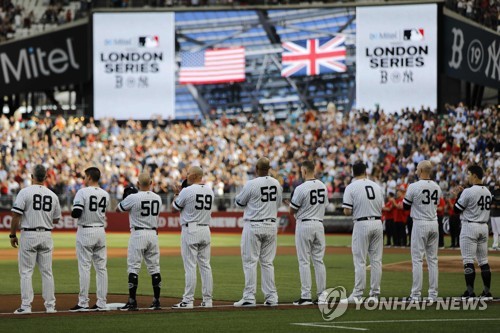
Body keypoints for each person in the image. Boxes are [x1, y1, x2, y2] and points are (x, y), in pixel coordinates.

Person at [9, 165, 61, 314]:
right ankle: (50, 306)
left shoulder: (25, 192)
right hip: (46, 234)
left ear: (32, 177)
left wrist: (12, 235)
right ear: (45, 178)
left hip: (29, 234)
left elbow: (16, 216)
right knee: (47, 272)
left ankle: (26, 306)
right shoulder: (53, 195)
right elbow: (56, 219)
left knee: (26, 272)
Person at [234, 157, 282, 307]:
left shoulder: (251, 184)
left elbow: (239, 202)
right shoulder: (276, 183)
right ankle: (272, 297)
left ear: (256, 169)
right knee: (267, 263)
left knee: (250, 262)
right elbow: (278, 203)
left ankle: (249, 296)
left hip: (254, 225)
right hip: (271, 225)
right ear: (269, 169)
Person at [116, 173, 163, 311]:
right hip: (153, 234)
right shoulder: (158, 198)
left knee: (133, 267)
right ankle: (156, 300)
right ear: (151, 183)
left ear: (138, 184)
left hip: (138, 234)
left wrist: (126, 198)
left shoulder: (133, 197)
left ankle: (132, 301)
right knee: (155, 268)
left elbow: (117, 209)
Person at [341, 161, 384, 303]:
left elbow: (347, 211)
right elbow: (381, 206)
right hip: (378, 223)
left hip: (362, 223)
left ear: (353, 173)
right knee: (376, 261)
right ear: (366, 171)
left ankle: (357, 295)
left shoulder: (351, 187)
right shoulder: (377, 186)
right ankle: (375, 295)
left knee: (360, 261)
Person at [172, 166, 214, 309]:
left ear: (195, 175)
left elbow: (174, 208)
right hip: (205, 228)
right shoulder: (210, 190)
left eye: (189, 172)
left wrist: (177, 194)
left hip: (191, 229)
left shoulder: (187, 191)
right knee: (205, 266)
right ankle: (208, 300)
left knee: (190, 266)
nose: (186, 174)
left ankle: (188, 300)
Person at [69, 167, 110, 312]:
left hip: (86, 230)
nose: (84, 179)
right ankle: (102, 302)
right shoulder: (105, 194)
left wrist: (72, 210)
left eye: (85, 176)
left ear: (89, 177)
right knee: (101, 268)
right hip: (100, 230)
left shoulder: (82, 192)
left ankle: (83, 302)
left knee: (85, 267)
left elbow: (77, 212)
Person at [289, 160, 328, 306]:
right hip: (319, 224)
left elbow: (292, 210)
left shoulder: (301, 188)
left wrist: (293, 207)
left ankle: (305, 296)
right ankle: (322, 295)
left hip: (305, 224)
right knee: (318, 261)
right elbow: (323, 205)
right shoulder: (323, 186)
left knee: (304, 261)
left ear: (304, 171)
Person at [403, 160, 442, 301]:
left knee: (417, 260)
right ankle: (433, 294)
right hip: (433, 222)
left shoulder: (413, 186)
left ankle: (416, 294)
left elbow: (405, 206)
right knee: (433, 260)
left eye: (417, 169)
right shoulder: (437, 187)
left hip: (420, 223)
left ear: (420, 170)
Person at [454, 165, 493, 300]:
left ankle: (470, 292)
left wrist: (459, 195)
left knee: (468, 260)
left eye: (469, 174)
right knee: (483, 261)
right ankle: (487, 292)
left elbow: (456, 209)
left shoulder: (468, 191)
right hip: (483, 226)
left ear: (475, 176)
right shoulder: (487, 191)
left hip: (470, 226)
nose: (468, 177)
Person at [490, 181, 500, 250]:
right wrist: (492, 205)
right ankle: (495, 245)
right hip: (493, 214)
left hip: (499, 214)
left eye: (497, 185)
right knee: (495, 231)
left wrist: (496, 205)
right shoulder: (493, 192)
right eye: (496, 185)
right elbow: (490, 201)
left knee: (499, 230)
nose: (496, 186)